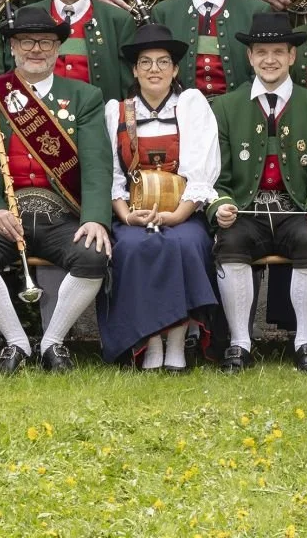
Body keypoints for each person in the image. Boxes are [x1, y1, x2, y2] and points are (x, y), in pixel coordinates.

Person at [0, 6, 112, 375]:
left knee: (93, 257)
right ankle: (17, 342)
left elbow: (96, 164)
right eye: (27, 41)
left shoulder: (84, 96)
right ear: (12, 46)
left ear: (58, 47)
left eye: (45, 41)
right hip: (5, 216)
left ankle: (53, 343)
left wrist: (94, 219)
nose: (36, 49)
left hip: (61, 215)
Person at [208, 12, 307, 373]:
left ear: (292, 56)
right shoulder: (223, 108)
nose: (270, 59)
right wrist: (221, 205)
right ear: (249, 57)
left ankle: (305, 343)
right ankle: (239, 343)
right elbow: (213, 177)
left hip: (295, 210)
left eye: (278, 51)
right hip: (244, 212)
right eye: (261, 51)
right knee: (230, 241)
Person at [98, 24, 220, 370]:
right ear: (134, 70)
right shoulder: (117, 112)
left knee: (185, 244)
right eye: (146, 62)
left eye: (163, 62)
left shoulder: (191, 105)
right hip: (133, 213)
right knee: (134, 247)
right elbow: (112, 175)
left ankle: (178, 341)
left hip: (183, 211)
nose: (155, 69)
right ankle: (150, 341)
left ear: (175, 69)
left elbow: (201, 169)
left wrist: (178, 216)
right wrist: (124, 216)